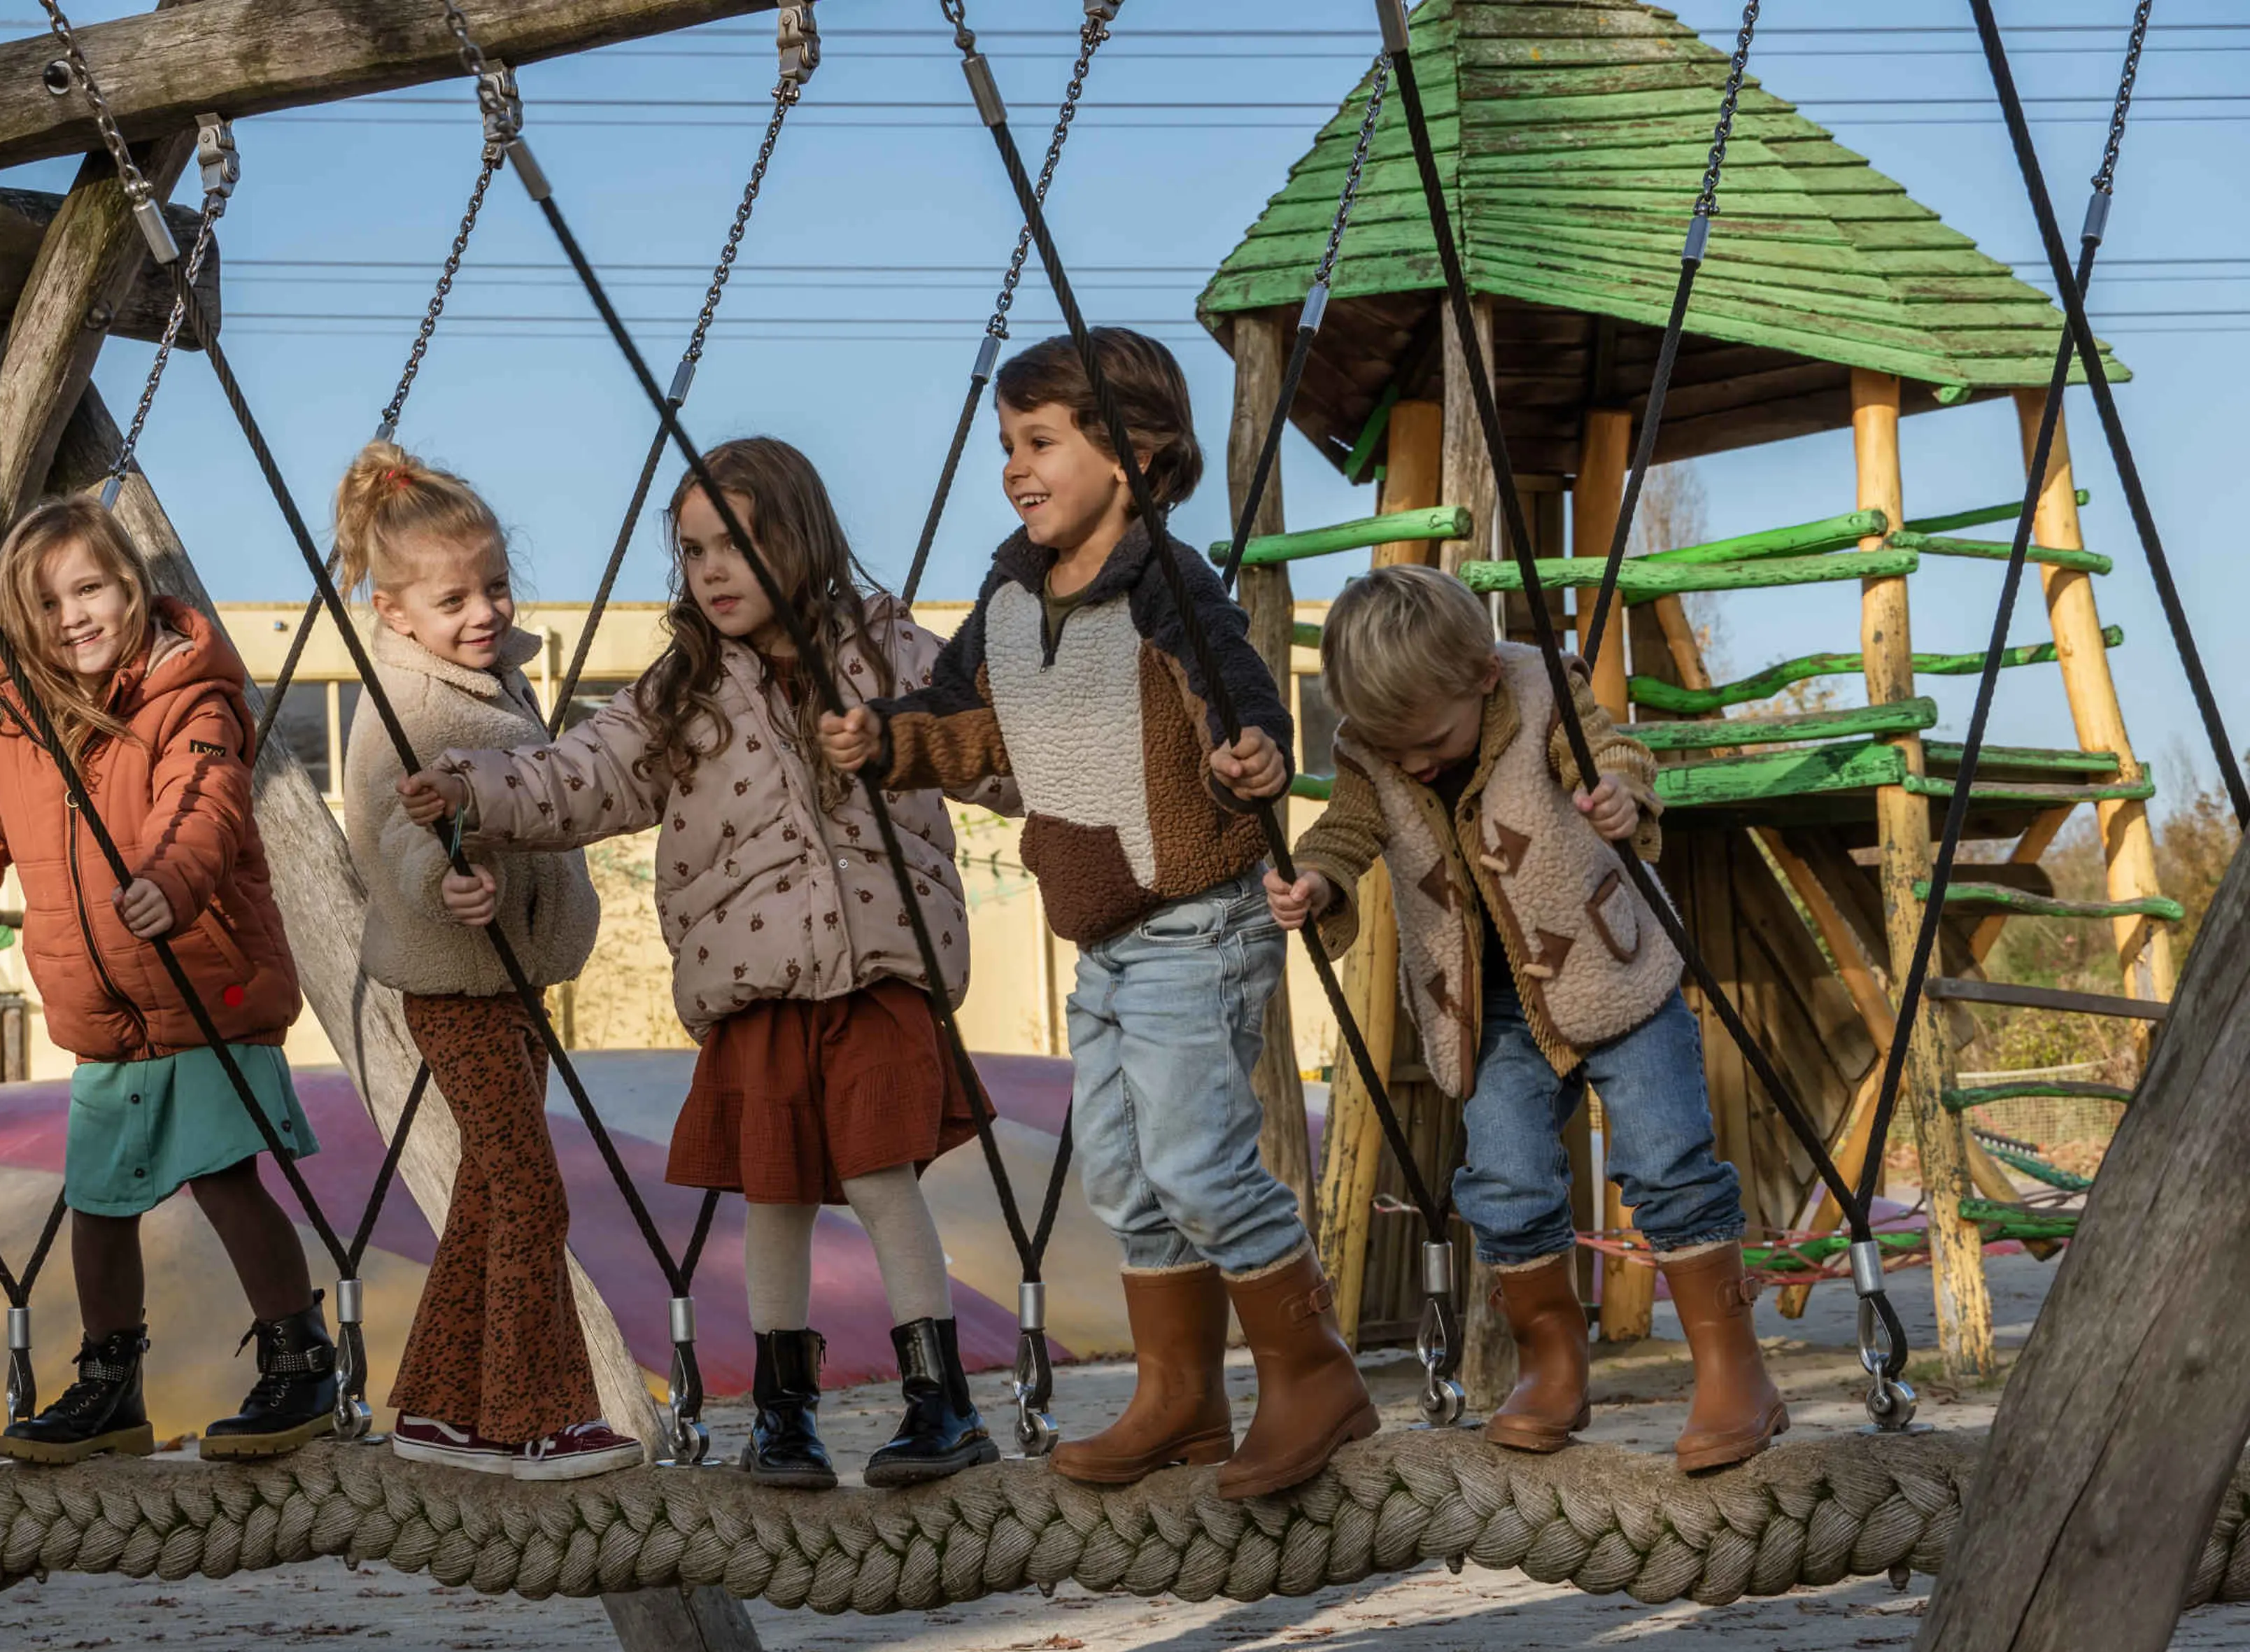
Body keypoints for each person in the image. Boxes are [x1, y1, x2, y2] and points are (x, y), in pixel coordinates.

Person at [819, 328, 1375, 1501]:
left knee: (1195, 1159)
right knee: (1123, 1174)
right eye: (1006, 445)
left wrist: (1256, 749)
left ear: (1132, 457)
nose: (1016, 468)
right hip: (1104, 924)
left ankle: (1315, 1374)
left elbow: (1236, 690)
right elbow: (965, 718)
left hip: (1196, 916)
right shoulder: (1013, 593)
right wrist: (888, 740)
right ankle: (1179, 1401)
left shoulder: (1170, 582)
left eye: (1041, 442)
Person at [399, 437, 1019, 1490]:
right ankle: (784, 1416)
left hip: (880, 967)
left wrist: (1075, 781)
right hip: (755, 984)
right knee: (772, 1194)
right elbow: (578, 776)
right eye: (693, 553)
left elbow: (984, 742)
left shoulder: (885, 650)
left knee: (879, 1174)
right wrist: (472, 789)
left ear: (804, 539)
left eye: (738, 544)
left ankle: (939, 1398)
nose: (714, 571)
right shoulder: (680, 688)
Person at [0, 494, 333, 1465]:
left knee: (223, 1177)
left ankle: (300, 1358)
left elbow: (203, 803)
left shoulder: (190, 697)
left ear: (133, 587)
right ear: (18, 623)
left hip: (206, 988)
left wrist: (169, 883)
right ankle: (109, 1382)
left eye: (92, 589)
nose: (75, 616)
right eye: (48, 605)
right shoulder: (14, 724)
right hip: (104, 1017)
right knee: (97, 1200)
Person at [1265, 562, 1785, 1471]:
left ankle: (1733, 1369)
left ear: (1482, 678)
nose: (1414, 764)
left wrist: (1623, 796)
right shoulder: (1371, 748)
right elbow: (1343, 831)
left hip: (1611, 970)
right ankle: (1553, 1366)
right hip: (1485, 1007)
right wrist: (1318, 880)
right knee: (1503, 1180)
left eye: (1428, 741)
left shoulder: (1542, 683)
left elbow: (1610, 751)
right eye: (1394, 750)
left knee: (1665, 1159)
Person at [332, 441, 640, 1482]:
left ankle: (437, 1410)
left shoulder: (495, 679)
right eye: (456, 597)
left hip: (512, 982)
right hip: (457, 987)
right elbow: (396, 820)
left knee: (484, 1199)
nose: (486, 612)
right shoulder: (406, 703)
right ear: (395, 612)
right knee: (530, 1196)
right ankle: (533, 1421)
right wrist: (444, 877)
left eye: (497, 587)